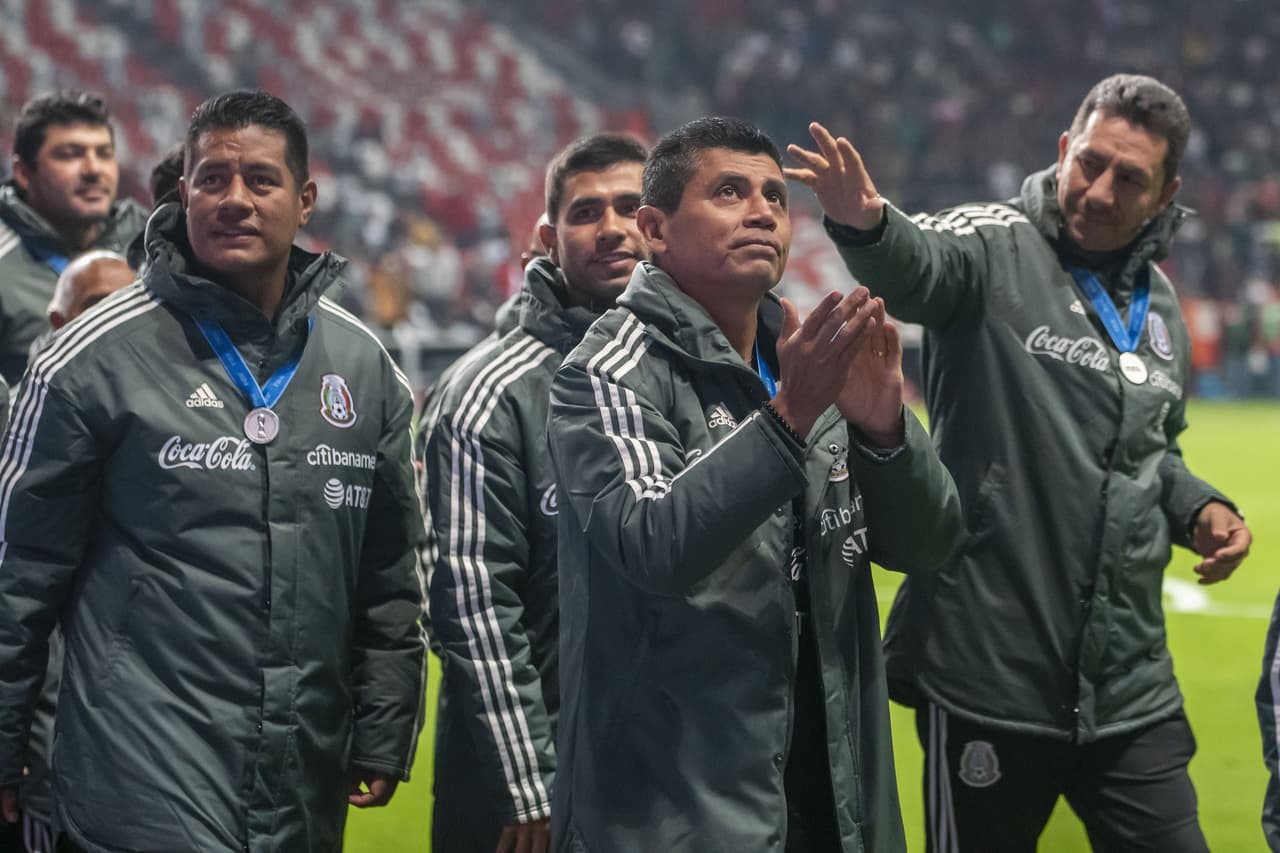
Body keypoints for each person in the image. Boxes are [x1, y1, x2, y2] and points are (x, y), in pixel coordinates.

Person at [788, 73, 1253, 852]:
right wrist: (866, 222)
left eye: (1130, 178)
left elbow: (1150, 454)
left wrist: (1198, 506)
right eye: (1090, 164)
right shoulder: (992, 245)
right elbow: (918, 265)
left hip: (1127, 689)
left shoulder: (1162, 309)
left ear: (1166, 193)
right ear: (1064, 149)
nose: (1099, 191)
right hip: (986, 676)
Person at [0, 90, 426, 852]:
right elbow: (18, 576)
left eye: (261, 180)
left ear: (305, 200)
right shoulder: (87, 360)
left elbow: (389, 576)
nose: (235, 199)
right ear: (182, 194)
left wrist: (385, 725)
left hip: (301, 788)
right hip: (135, 785)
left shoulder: (365, 369)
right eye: (212, 179)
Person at [546, 116, 962, 853]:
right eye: (730, 192)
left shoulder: (806, 359)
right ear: (655, 229)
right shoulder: (604, 373)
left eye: (775, 196)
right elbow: (654, 543)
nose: (763, 211)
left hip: (834, 793)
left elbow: (927, 545)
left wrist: (885, 433)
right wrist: (789, 416)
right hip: (677, 811)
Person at [426, 133, 648, 853]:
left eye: (630, 207)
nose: (612, 227)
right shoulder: (489, 395)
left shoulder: (685, 373)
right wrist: (528, 782)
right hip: (527, 788)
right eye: (587, 212)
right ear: (548, 240)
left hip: (659, 777)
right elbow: (472, 605)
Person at [0, 90, 146, 385]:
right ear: (23, 173)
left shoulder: (149, 242)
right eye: (70, 154)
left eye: (104, 153)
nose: (93, 170)